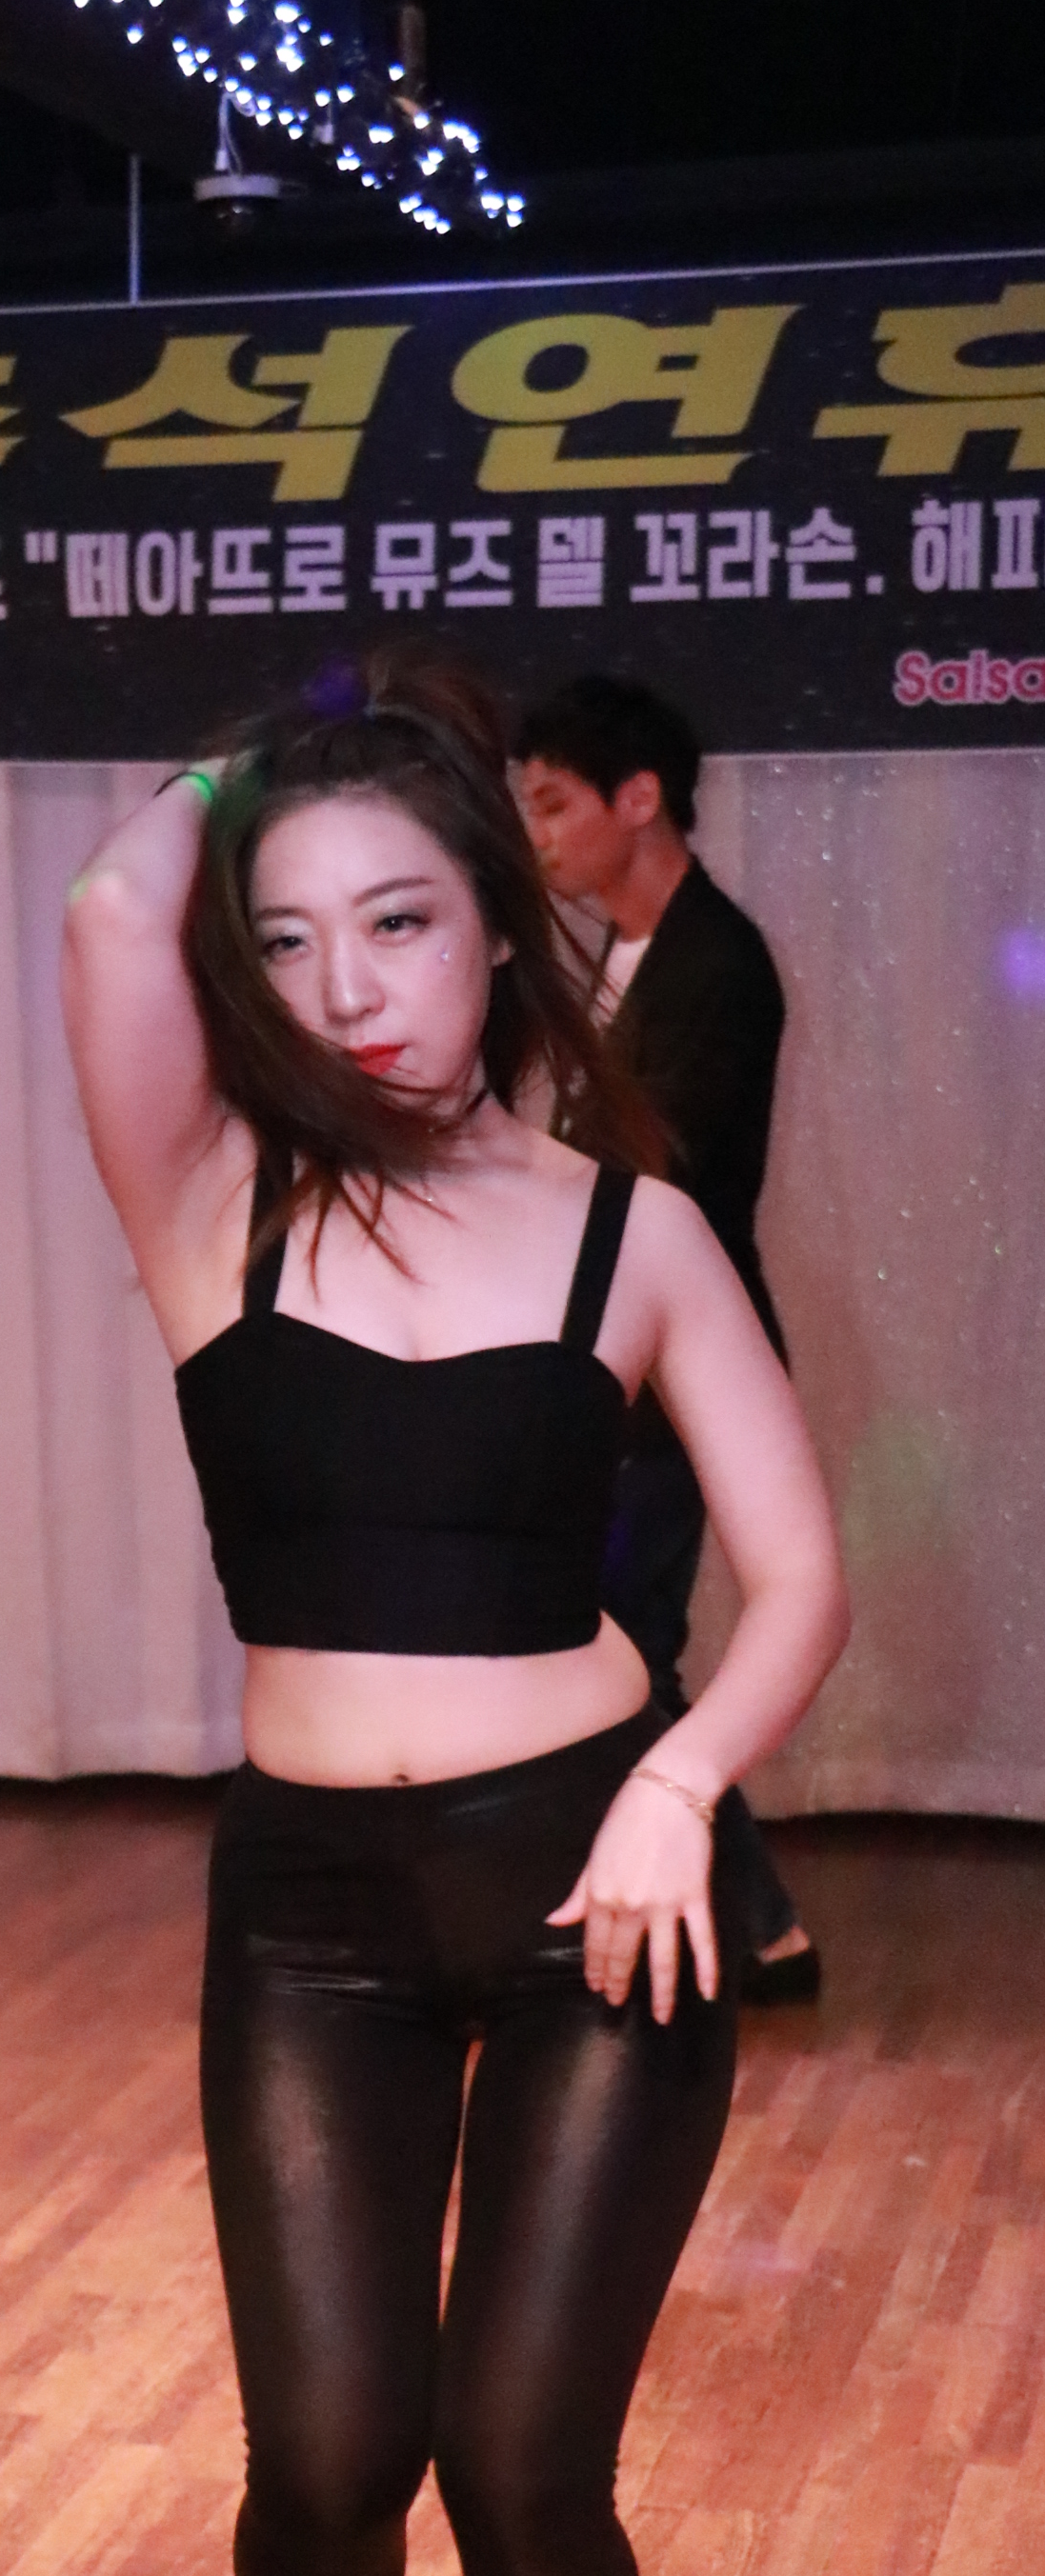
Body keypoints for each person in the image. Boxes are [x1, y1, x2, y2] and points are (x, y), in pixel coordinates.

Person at [61, 662, 846, 2576]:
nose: (345, 989)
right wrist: (301, 742)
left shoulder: (634, 1230)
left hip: (599, 1889)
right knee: (323, 2457)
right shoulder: (208, 1202)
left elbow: (800, 1573)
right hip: (309, 1911)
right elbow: (104, 907)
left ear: (501, 929)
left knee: (519, 2459)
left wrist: (685, 1781)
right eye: (287, 942)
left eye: (398, 921)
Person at [512, 675, 821, 2003]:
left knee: (622, 1641)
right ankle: (749, 1924)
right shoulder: (623, 955)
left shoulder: (717, 964)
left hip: (676, 1378)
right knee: (616, 1638)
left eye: (553, 804)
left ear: (639, 800)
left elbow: (659, 1177)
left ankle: (752, 1926)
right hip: (620, 1372)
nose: (536, 835)